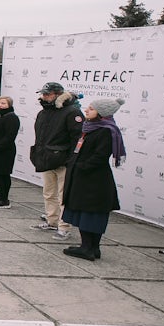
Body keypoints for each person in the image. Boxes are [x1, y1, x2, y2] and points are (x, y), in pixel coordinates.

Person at [61, 97, 126, 261]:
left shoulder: (105, 130)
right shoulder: (90, 128)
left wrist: (81, 166)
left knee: (91, 215)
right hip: (84, 178)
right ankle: (90, 247)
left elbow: (100, 156)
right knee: (85, 213)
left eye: (91, 108)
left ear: (102, 113)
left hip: (94, 181)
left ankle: (88, 248)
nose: (86, 110)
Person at [30, 83, 84, 241]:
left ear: (58, 94)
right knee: (48, 193)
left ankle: (64, 226)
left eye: (48, 94)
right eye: (43, 94)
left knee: (63, 196)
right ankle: (52, 220)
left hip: (64, 161)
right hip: (47, 159)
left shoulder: (72, 112)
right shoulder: (43, 112)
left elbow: (77, 138)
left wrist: (71, 159)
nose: (44, 97)